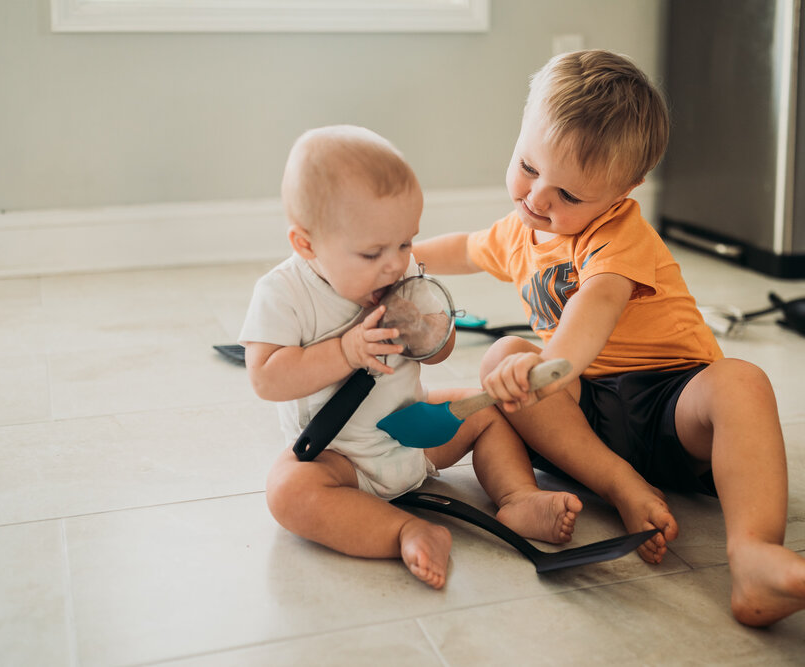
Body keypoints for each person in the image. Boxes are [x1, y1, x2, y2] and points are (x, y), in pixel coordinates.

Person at [413, 51, 805, 624]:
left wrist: (555, 364)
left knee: (742, 382)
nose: (538, 198)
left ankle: (754, 556)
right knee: (503, 355)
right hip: (584, 428)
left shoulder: (619, 235)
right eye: (527, 166)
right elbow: (463, 248)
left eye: (569, 195)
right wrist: (400, 260)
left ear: (626, 188)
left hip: (671, 407)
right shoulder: (520, 229)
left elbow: (594, 306)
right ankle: (595, 488)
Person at [240, 125, 582, 589]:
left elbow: (439, 354)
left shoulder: (405, 272)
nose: (395, 263)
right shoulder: (284, 294)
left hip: (416, 433)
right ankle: (404, 530)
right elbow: (266, 379)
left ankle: (518, 497)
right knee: (287, 491)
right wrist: (345, 351)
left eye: (405, 243)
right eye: (372, 252)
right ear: (306, 244)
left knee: (490, 413)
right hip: (342, 457)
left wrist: (430, 331)